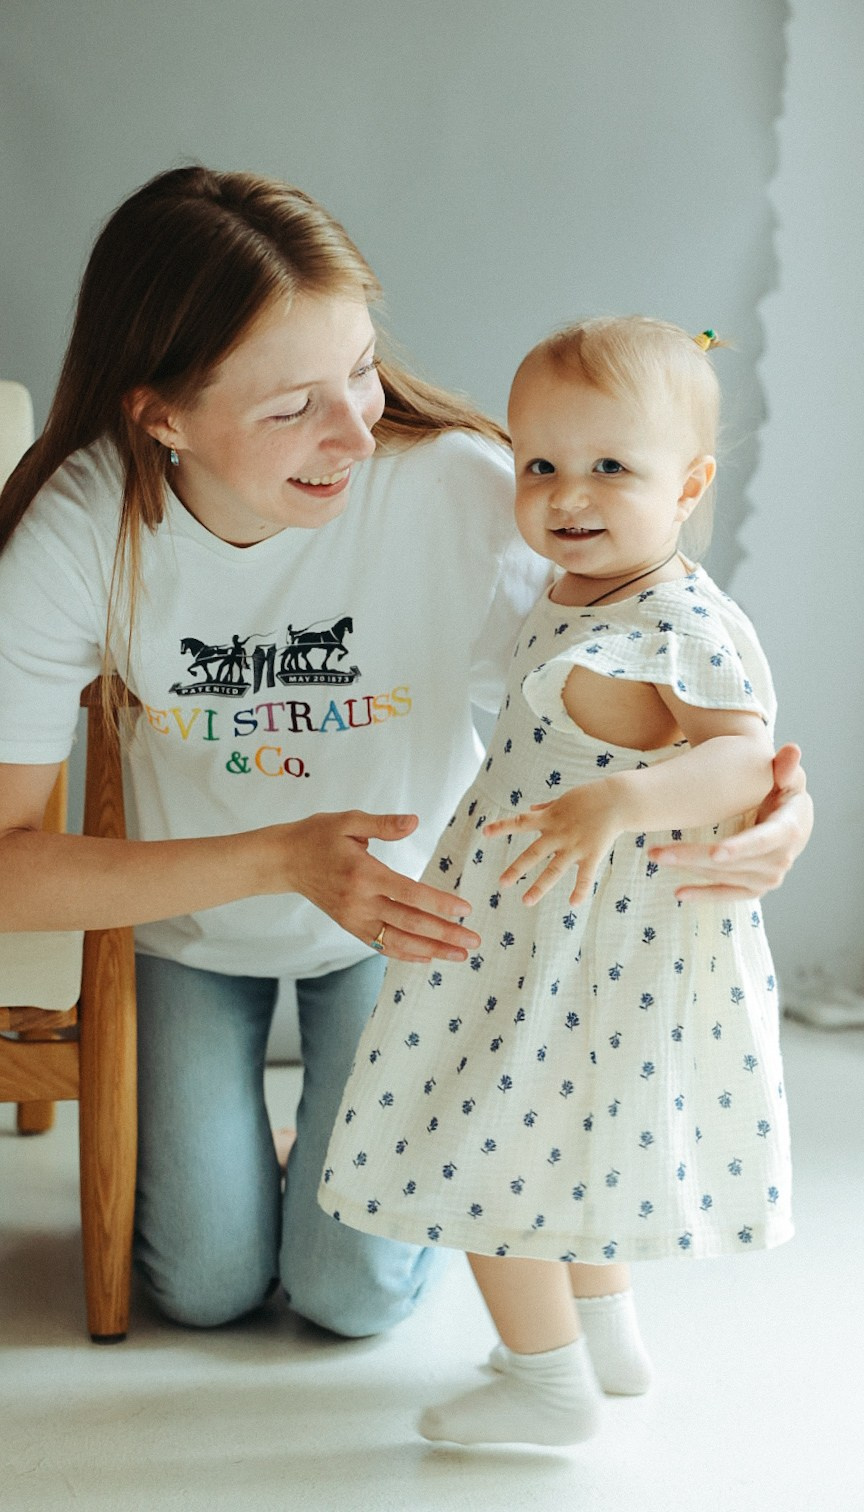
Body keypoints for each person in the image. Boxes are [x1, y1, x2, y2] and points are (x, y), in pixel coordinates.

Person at [0, 167, 810, 1342]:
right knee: (204, 1285)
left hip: (415, 931)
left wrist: (767, 810)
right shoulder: (86, 531)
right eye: (293, 405)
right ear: (162, 415)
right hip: (188, 936)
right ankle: (299, 1162)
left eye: (358, 368)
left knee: (348, 1296)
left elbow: (667, 676)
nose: (355, 431)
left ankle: (356, 1171)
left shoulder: (466, 494)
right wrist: (287, 858)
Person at [317, 317, 796, 1444]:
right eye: (541, 465)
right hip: (535, 931)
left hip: (592, 943)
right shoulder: (579, 589)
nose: (566, 495)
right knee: (562, 1140)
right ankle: (607, 1339)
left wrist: (623, 799)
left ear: (690, 486)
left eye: (610, 468)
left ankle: (545, 1386)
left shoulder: (682, 619)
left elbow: (741, 752)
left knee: (484, 1148)